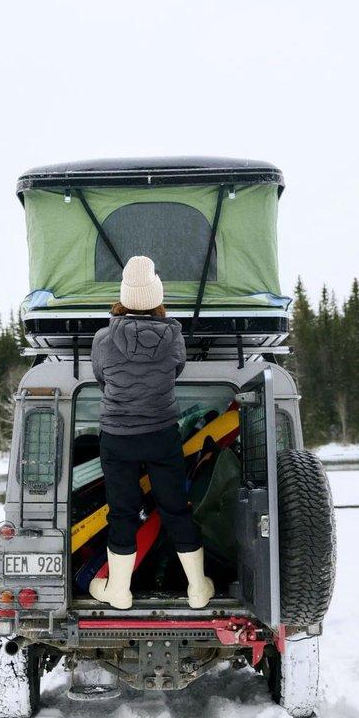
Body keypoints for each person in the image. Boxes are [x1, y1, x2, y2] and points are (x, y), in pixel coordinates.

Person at [89, 255, 214, 610]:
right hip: (161, 433)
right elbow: (175, 371)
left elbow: (102, 378)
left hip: (117, 436)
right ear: (157, 297)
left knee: (122, 512)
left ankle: (119, 591)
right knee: (176, 509)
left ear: (124, 297)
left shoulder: (103, 339)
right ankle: (197, 590)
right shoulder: (173, 337)